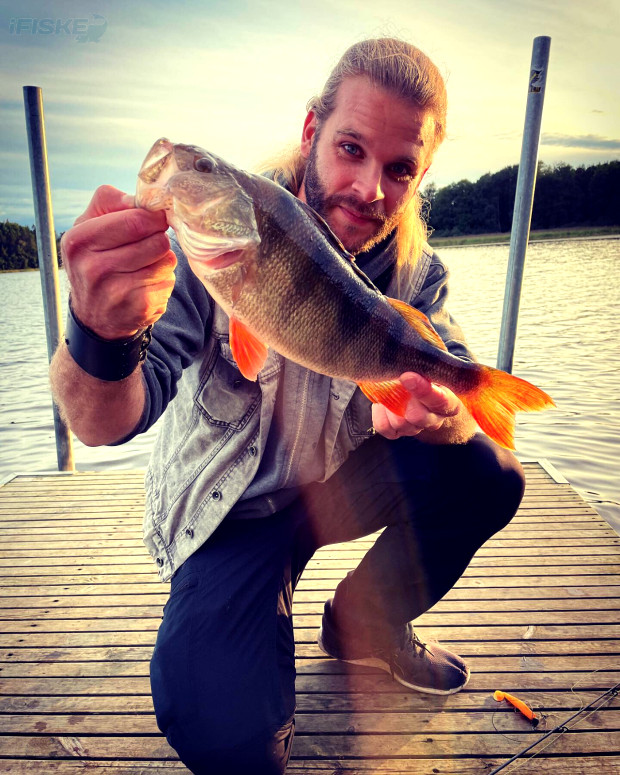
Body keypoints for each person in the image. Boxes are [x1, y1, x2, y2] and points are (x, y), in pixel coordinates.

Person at [51, 38, 525, 775]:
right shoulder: (211, 246)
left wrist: (440, 414)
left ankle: (364, 624)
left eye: (399, 168)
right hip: (233, 518)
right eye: (350, 149)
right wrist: (99, 334)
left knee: (488, 471)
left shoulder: (417, 274)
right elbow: (103, 422)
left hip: (335, 488)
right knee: (228, 735)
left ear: (419, 177)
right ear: (311, 133)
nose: (369, 188)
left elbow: (463, 397)